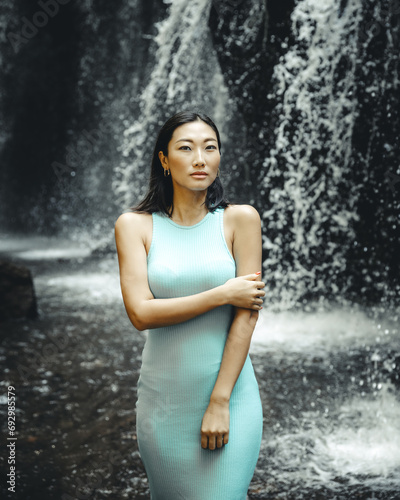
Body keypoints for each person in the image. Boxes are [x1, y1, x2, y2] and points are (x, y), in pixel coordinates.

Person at [114, 111, 264, 499]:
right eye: (186, 148)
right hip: (163, 402)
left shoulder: (240, 220)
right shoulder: (135, 226)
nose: (200, 158)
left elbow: (246, 318)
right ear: (164, 159)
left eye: (209, 148)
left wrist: (219, 402)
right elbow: (141, 314)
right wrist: (222, 294)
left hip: (231, 397)